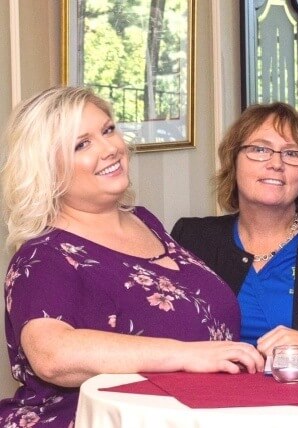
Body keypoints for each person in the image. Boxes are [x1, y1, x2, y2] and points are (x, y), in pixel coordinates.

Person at [0, 86, 264, 427]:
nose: (110, 148)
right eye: (82, 144)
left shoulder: (144, 220)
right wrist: (187, 355)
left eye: (108, 130)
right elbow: (52, 355)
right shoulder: (44, 255)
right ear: (47, 169)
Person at [171, 102, 298, 353]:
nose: (276, 163)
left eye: (292, 153)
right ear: (233, 163)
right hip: (209, 390)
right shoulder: (190, 239)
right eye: (259, 149)